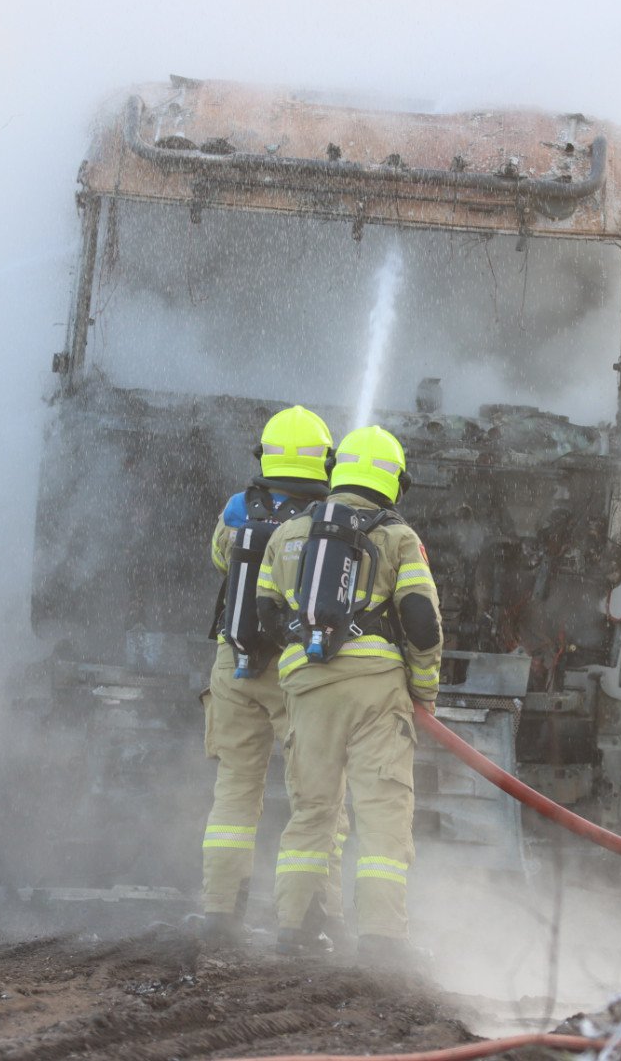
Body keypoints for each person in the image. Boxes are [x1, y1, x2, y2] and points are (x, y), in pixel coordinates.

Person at [258, 425, 442, 963]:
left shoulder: (289, 533)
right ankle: (382, 938)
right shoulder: (399, 537)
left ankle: (294, 928)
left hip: (307, 689)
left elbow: (265, 611)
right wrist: (424, 692)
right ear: (394, 481)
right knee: (382, 811)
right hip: (375, 693)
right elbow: (421, 621)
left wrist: (305, 657)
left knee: (312, 810)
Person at [201, 404, 348, 946]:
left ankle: (220, 911)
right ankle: (309, 919)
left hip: (235, 661)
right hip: (296, 671)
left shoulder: (239, 507)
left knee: (234, 796)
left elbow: (220, 559)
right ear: (325, 460)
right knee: (317, 799)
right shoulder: (327, 519)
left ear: (264, 455)